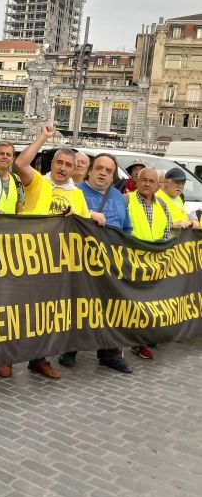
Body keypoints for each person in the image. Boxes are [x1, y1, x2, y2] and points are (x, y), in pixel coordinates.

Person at [9, 124, 90, 379]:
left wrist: (85, 217)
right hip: (27, 258)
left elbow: (84, 228)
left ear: (74, 168)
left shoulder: (77, 196)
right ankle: (6, 358)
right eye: (59, 162)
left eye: (68, 164)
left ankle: (39, 359)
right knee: (17, 312)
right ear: (52, 163)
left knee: (45, 315)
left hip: (55, 263)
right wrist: (44, 136)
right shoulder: (38, 183)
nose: (63, 168)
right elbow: (21, 163)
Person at [58, 153, 134, 374]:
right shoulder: (75, 192)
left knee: (112, 309)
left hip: (110, 263)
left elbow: (127, 228)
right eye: (99, 168)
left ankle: (109, 353)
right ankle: (70, 349)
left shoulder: (119, 197)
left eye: (108, 171)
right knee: (78, 307)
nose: (103, 173)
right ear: (89, 170)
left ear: (113, 177)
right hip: (79, 262)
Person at [127, 167, 172, 361]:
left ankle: (140, 342)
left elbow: (166, 231)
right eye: (143, 180)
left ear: (157, 185)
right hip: (131, 261)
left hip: (154, 264)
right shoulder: (125, 200)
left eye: (151, 181)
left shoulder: (162, 204)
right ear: (136, 181)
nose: (147, 184)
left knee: (147, 305)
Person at [0, 142, 24, 214]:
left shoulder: (16, 179)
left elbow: (19, 206)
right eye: (1, 154)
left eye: (8, 155)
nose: (5, 157)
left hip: (11, 225)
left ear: (13, 159)